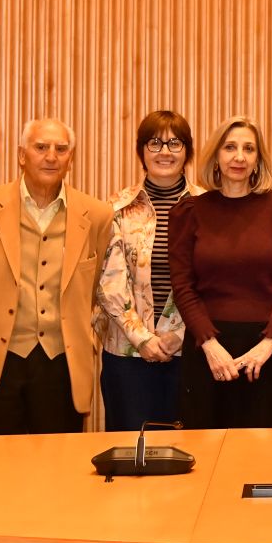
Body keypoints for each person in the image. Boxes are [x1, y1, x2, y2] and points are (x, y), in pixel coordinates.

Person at [0, 118, 114, 435]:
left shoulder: (96, 215)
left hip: (61, 361)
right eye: (41, 147)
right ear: (22, 155)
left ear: (71, 158)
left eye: (61, 149)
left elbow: (94, 287)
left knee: (57, 470)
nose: (51, 156)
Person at [169, 116, 272, 428]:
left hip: (269, 352)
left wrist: (269, 342)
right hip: (207, 353)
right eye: (230, 147)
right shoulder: (189, 213)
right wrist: (210, 345)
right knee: (205, 457)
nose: (239, 157)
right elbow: (183, 286)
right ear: (216, 156)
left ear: (259, 160)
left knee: (267, 461)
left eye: (249, 149)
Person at [95, 110, 201, 432]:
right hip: (126, 355)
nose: (165, 152)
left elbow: (214, 281)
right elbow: (107, 282)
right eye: (155, 143)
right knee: (131, 456)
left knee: (190, 457)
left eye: (175, 143)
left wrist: (180, 335)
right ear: (140, 151)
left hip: (190, 354)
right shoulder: (115, 208)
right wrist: (142, 338)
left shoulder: (208, 206)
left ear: (188, 151)